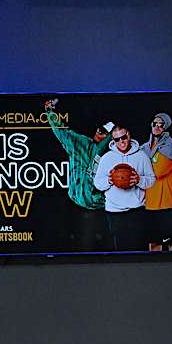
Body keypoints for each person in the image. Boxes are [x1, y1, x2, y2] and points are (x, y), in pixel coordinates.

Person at [44, 98, 111, 248]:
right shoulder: (80, 143)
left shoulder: (114, 152)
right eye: (100, 130)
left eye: (105, 133)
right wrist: (49, 112)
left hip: (101, 208)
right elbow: (61, 131)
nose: (100, 133)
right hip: (76, 205)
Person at [93, 124, 155, 250]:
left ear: (128, 135)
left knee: (139, 251)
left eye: (123, 137)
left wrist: (139, 180)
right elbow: (97, 184)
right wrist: (109, 180)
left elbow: (152, 180)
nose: (121, 141)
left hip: (136, 211)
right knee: (120, 253)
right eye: (117, 139)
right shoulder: (106, 158)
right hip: (114, 212)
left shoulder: (142, 156)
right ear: (113, 140)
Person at [143, 111, 172, 251]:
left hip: (167, 204)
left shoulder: (170, 147)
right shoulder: (145, 148)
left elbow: (157, 172)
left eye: (161, 125)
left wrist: (141, 171)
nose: (157, 127)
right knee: (154, 244)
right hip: (150, 204)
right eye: (155, 124)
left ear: (165, 128)